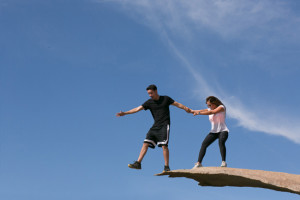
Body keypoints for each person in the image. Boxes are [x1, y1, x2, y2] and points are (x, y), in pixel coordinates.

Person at [116, 84, 191, 172]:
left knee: (164, 146)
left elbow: (177, 104)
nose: (150, 95)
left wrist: (186, 108)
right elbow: (137, 109)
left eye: (151, 93)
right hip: (155, 126)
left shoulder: (165, 99)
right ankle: (138, 163)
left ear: (156, 91)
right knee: (145, 143)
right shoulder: (149, 102)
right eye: (149, 94)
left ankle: (166, 166)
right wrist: (125, 113)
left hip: (164, 125)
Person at [191, 96, 229, 168]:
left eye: (209, 105)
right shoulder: (209, 109)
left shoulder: (221, 107)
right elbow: (201, 110)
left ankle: (223, 162)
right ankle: (199, 163)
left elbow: (212, 112)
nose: (209, 106)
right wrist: (192, 110)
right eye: (207, 105)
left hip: (223, 131)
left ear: (214, 103)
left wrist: (198, 113)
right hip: (213, 132)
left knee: (221, 142)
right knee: (204, 144)